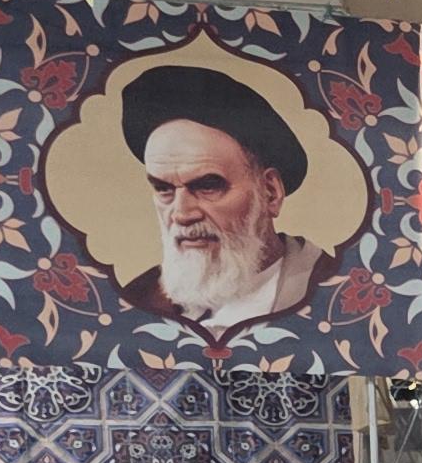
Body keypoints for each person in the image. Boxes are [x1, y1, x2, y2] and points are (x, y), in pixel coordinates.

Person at [118, 65, 329, 333]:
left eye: (208, 186)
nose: (181, 213)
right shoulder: (138, 300)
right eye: (164, 189)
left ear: (270, 192)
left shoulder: (334, 292)